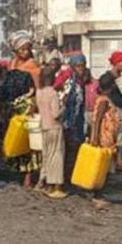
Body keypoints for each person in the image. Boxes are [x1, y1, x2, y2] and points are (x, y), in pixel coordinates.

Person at [36, 66, 67, 199]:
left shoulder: (39, 92)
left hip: (44, 126)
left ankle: (43, 182)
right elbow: (55, 114)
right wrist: (64, 106)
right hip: (54, 127)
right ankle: (56, 187)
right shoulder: (53, 93)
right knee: (57, 157)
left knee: (47, 156)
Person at [58, 54, 88, 187]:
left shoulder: (80, 81)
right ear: (73, 67)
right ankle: (65, 179)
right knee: (68, 152)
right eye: (78, 66)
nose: (81, 69)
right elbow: (64, 100)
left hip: (77, 122)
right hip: (68, 123)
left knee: (73, 152)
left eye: (83, 66)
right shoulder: (69, 81)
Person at [91, 72, 122, 150]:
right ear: (112, 87)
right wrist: (95, 137)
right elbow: (98, 119)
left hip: (108, 134)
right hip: (105, 135)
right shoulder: (104, 101)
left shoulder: (105, 99)